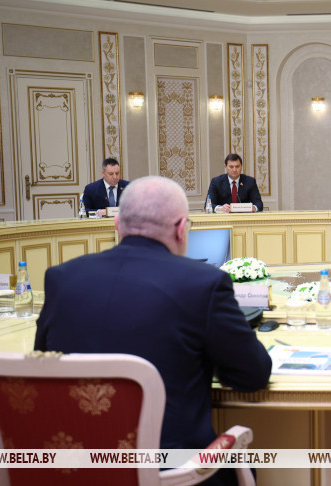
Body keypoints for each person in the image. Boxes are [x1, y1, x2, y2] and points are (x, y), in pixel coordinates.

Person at [35, 176, 272, 486]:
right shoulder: (203, 283)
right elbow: (252, 375)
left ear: (117, 225)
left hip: (74, 470)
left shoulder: (61, 278)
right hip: (173, 473)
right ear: (181, 229)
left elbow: (43, 362)